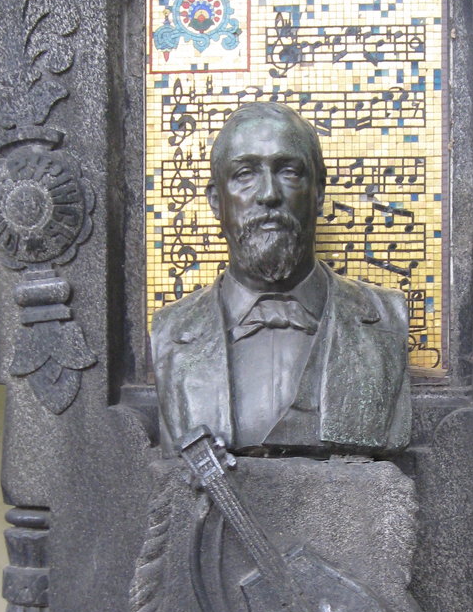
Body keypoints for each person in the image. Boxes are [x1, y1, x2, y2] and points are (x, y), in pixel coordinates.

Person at [151, 102, 410, 453]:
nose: (269, 194)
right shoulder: (170, 331)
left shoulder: (387, 318)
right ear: (216, 201)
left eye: (288, 171)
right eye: (245, 174)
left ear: (318, 193)